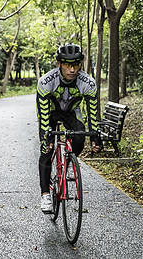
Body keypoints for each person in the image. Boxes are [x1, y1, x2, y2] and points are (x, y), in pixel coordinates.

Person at [36, 43, 101, 212]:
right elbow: (43, 115)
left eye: (76, 65)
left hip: (72, 112)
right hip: (50, 112)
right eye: (67, 65)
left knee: (80, 138)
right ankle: (45, 195)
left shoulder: (88, 83)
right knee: (46, 150)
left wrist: (95, 136)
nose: (72, 69)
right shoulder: (46, 82)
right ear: (59, 64)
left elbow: (92, 113)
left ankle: (68, 162)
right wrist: (46, 137)